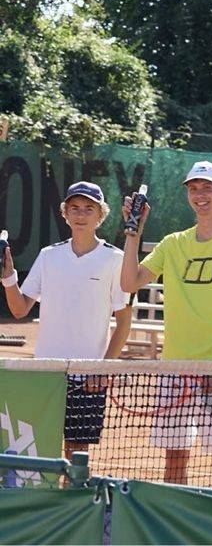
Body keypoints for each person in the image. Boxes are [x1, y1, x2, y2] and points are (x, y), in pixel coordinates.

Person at [120, 161, 212, 491]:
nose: (200, 195)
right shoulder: (172, 244)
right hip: (175, 368)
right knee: (175, 456)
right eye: (194, 188)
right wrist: (134, 232)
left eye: (207, 188)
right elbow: (129, 283)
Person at [2, 181, 132, 463]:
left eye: (88, 209)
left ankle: (73, 505)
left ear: (101, 216)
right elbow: (20, 309)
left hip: (88, 377)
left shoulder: (115, 259)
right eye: (74, 208)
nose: (81, 215)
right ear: (65, 214)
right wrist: (8, 277)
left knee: (77, 454)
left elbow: (123, 321)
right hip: (45, 375)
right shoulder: (49, 256)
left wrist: (104, 368)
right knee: (39, 447)